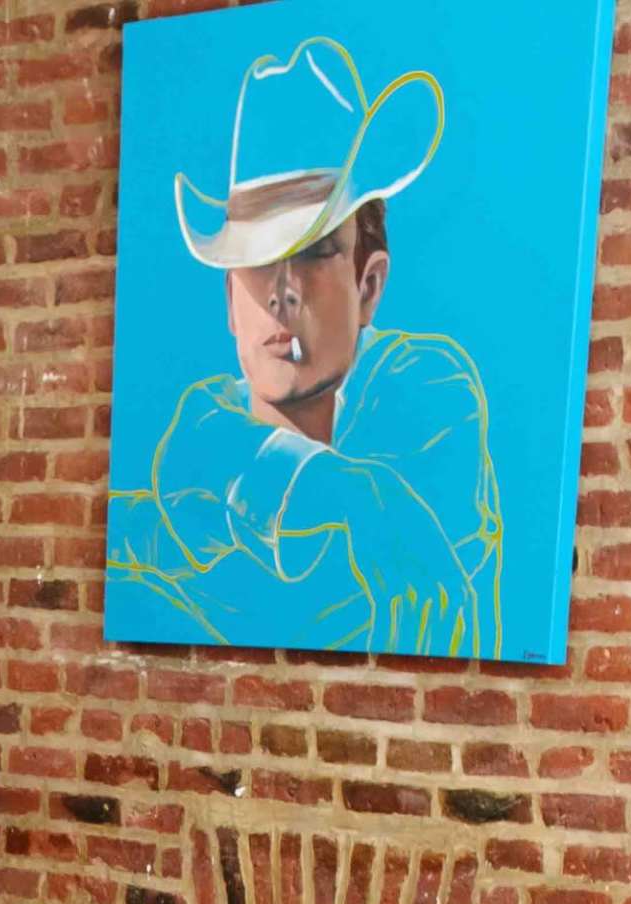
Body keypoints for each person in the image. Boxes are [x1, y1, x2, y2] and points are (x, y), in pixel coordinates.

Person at [108, 38, 502, 657]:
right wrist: (360, 497)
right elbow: (190, 466)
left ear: (368, 286)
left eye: (316, 252)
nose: (280, 295)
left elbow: (318, 605)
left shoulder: (427, 390)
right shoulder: (202, 430)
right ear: (229, 302)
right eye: (254, 263)